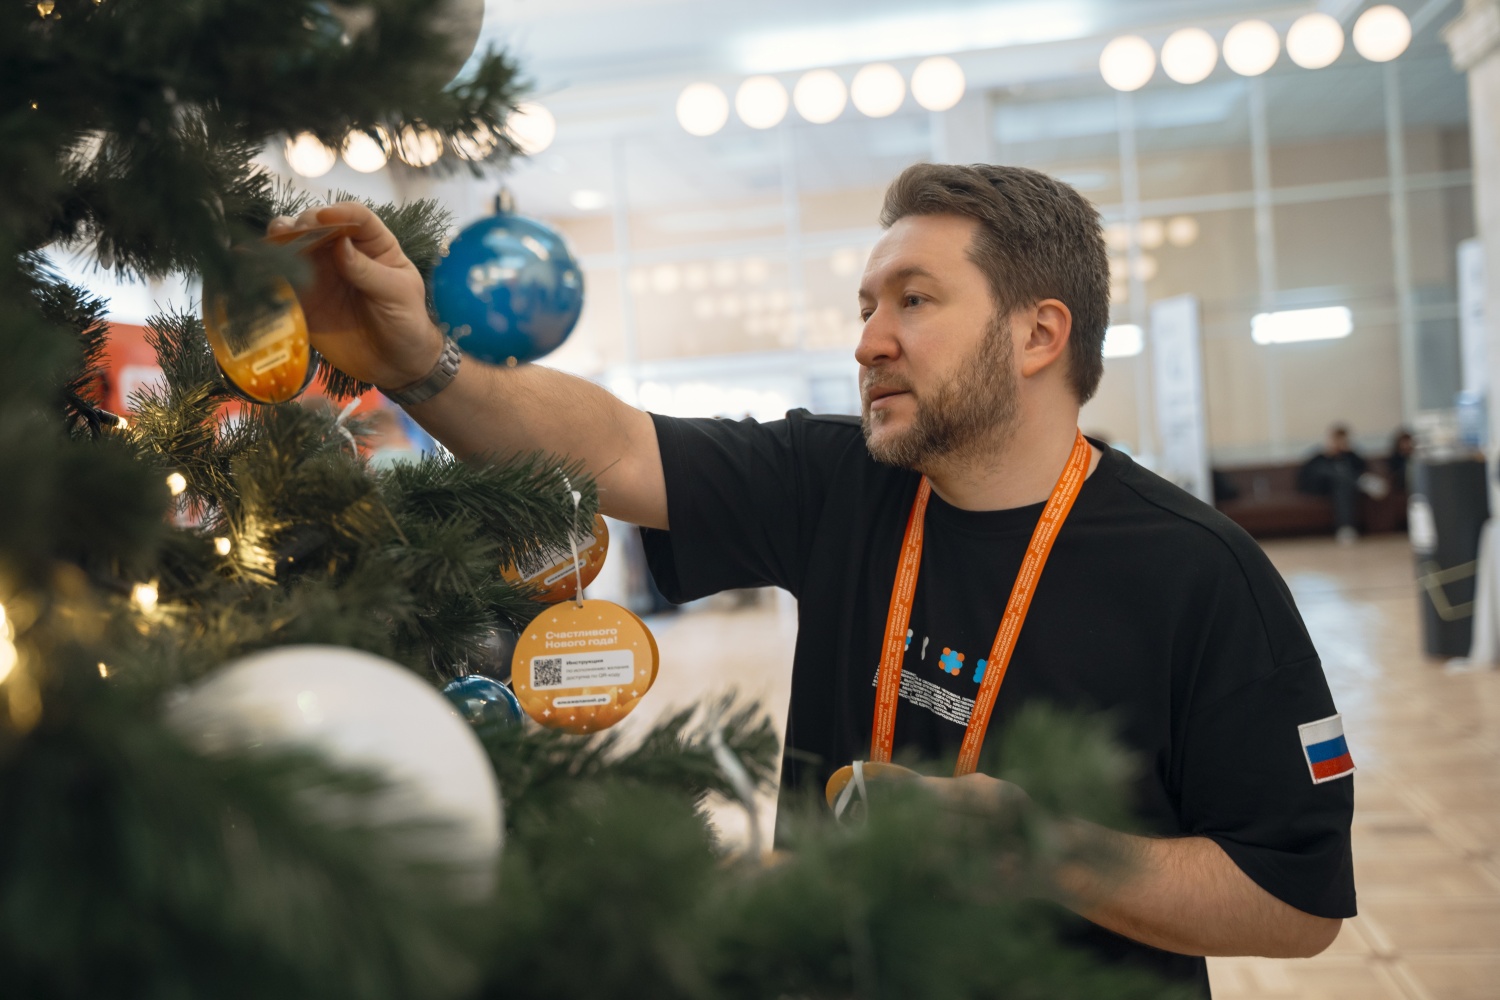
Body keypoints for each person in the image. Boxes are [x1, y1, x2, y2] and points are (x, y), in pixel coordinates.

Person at [270, 163, 1353, 996]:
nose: (870, 341)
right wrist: (418, 361)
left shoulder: (1198, 571)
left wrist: (1046, 851)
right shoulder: (841, 482)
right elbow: (611, 444)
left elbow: (1295, 902)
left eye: (914, 301)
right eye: (867, 306)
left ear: (1038, 333)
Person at [1297, 424, 1368, 544]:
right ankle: (1360, 482)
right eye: (1337, 440)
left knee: (1342, 485)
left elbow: (1363, 467)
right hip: (1320, 488)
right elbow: (1306, 477)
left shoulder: (1350, 457)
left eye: (1343, 441)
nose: (1339, 444)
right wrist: (1330, 455)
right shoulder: (1319, 457)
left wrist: (1348, 453)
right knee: (1327, 471)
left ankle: (1345, 528)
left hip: (1340, 489)